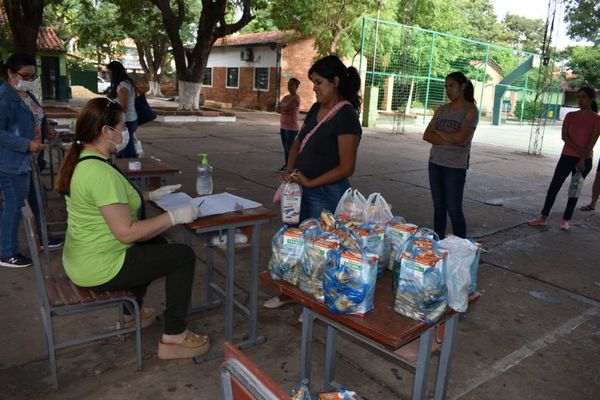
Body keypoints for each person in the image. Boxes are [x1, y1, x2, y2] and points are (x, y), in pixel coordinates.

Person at [55, 98, 209, 359]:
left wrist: (151, 196)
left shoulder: (86, 159)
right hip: (100, 266)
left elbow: (108, 203)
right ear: (106, 132)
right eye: (122, 127)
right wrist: (174, 216)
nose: (125, 132)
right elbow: (126, 232)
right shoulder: (99, 172)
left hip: (83, 258)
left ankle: (130, 315)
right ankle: (174, 337)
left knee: (156, 245)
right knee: (182, 256)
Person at [265, 55, 362, 309]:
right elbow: (298, 142)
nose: (315, 88)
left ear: (336, 81)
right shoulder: (316, 110)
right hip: (300, 187)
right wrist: (291, 169)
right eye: (313, 83)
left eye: (319, 82)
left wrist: (312, 182)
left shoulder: (346, 116)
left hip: (328, 192)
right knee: (293, 241)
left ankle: (314, 304)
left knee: (321, 252)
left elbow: (346, 166)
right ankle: (289, 293)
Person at [0, 53, 62, 269]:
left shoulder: (25, 93)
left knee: (37, 200)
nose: (29, 79)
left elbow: (36, 117)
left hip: (31, 161)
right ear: (10, 73)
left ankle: (43, 238)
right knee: (14, 206)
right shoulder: (4, 97)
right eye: (25, 75)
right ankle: (8, 253)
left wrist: (47, 131)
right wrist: (27, 145)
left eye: (32, 75)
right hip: (11, 163)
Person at [529, 87, 600, 230]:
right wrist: (579, 150)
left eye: (584, 97)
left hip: (584, 160)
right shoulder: (570, 116)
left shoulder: (597, 119)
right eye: (579, 97)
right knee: (554, 186)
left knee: (574, 190)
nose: (580, 100)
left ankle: (566, 220)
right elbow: (564, 136)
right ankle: (543, 217)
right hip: (567, 157)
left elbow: (592, 141)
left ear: (591, 99)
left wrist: (581, 158)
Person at [422, 71, 479, 240]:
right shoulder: (442, 109)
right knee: (439, 207)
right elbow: (427, 135)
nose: (448, 90)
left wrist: (439, 133)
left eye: (452, 86)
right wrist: (450, 138)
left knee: (453, 208)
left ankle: (461, 246)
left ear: (462, 86)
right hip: (435, 163)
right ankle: (437, 242)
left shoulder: (471, 110)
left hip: (455, 167)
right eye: (446, 86)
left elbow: (462, 140)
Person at [106, 61, 138, 158]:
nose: (109, 75)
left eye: (109, 73)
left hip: (126, 120)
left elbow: (124, 107)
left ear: (115, 73)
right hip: (128, 119)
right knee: (124, 145)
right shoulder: (125, 84)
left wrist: (116, 119)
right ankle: (126, 166)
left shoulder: (123, 86)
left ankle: (131, 168)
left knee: (127, 147)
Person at [275, 78, 301, 171]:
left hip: (291, 128)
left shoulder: (296, 98)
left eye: (291, 85)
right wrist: (282, 109)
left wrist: (282, 108)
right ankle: (287, 165)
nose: (289, 86)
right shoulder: (286, 97)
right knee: (286, 148)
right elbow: (277, 109)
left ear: (296, 87)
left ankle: (292, 167)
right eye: (288, 84)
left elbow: (287, 109)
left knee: (289, 149)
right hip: (283, 126)